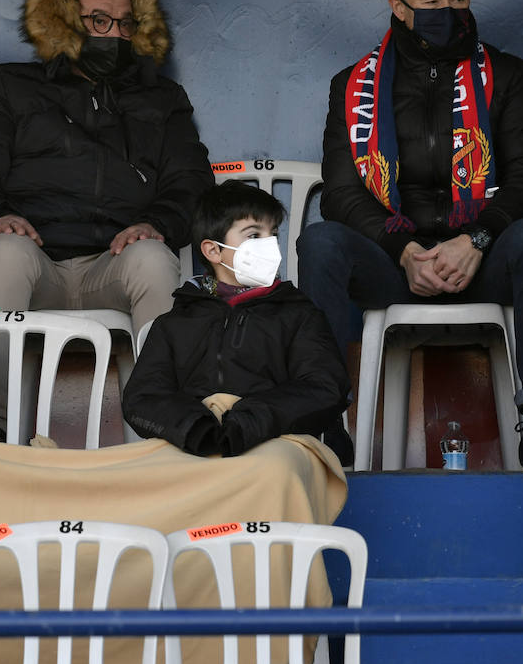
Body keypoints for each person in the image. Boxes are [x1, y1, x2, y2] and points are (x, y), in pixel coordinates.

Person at [298, 0, 523, 471]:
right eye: (430, 2)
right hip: (396, 262)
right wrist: (403, 250)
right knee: (321, 241)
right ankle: (324, 426)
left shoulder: (509, 75)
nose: (446, 13)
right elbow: (340, 193)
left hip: (480, 258)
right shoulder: (352, 85)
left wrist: (478, 240)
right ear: (398, 6)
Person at [0, 0, 213, 439]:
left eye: (125, 24)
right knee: (4, 252)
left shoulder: (161, 98)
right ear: (63, 22)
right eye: (99, 21)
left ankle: (166, 429)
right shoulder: (9, 85)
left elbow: (191, 184)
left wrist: (157, 224)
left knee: (154, 257)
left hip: (113, 262)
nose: (114, 35)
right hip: (35, 259)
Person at [122, 181, 352, 464]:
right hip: (194, 447)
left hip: (274, 442)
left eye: (273, 235)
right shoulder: (175, 323)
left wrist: (252, 421)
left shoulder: (299, 315)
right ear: (213, 251)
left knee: (276, 471)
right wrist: (195, 429)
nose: (268, 246)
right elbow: (142, 397)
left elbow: (325, 387)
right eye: (254, 235)